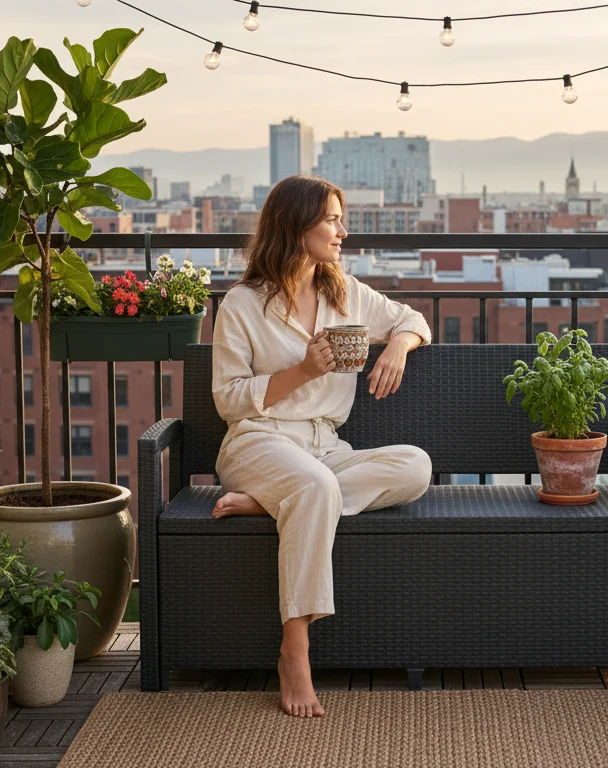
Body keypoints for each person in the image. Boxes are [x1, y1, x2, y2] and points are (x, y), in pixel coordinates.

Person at [210, 175, 433, 717]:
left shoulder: (346, 292)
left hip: (325, 445)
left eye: (341, 218)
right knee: (313, 485)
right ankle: (295, 649)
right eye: (332, 219)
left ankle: (272, 503)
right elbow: (228, 401)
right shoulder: (242, 304)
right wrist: (301, 370)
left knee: (416, 467)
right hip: (258, 441)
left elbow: (413, 319)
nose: (343, 231)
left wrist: (399, 346)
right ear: (297, 224)